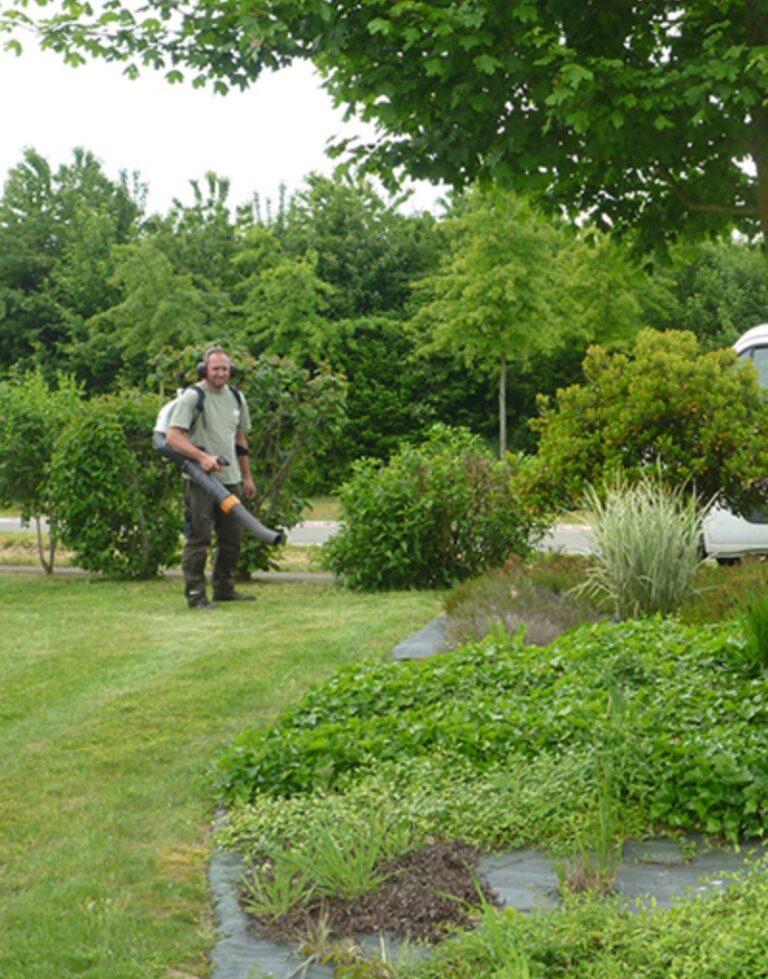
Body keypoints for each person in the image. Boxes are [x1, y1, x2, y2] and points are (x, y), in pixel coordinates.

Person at [166, 346, 257, 609]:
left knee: (232, 537)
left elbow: (240, 439)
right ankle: (196, 595)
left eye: (225, 368)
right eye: (216, 368)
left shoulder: (237, 398)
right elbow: (173, 437)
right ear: (204, 369)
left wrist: (247, 477)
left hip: (230, 480)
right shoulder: (193, 397)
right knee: (200, 537)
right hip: (200, 481)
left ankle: (224, 588)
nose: (221, 373)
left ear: (232, 370)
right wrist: (202, 458)